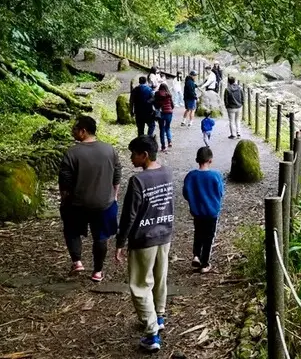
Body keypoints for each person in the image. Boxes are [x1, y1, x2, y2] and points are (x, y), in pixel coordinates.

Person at [116, 136, 174, 352]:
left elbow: (129, 215)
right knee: (160, 278)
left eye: (134, 154)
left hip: (144, 238)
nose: (131, 158)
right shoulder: (167, 173)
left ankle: (152, 335)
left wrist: (121, 242)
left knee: (140, 285)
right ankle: (159, 316)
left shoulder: (138, 181)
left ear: (145, 155)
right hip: (164, 233)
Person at [58, 116, 121, 282]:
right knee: (100, 237)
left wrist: (65, 201)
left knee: (71, 230)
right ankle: (98, 271)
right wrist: (114, 195)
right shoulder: (110, 149)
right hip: (104, 203)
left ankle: (77, 261)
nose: (72, 132)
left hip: (77, 203)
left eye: (75, 129)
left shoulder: (72, 153)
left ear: (83, 131)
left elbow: (65, 182)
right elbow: (117, 174)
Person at [182, 147, 224, 273]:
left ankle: (196, 255)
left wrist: (193, 201)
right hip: (211, 212)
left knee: (198, 233)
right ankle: (205, 263)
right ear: (210, 160)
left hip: (197, 212)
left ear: (197, 160)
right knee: (209, 237)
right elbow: (220, 192)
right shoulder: (216, 175)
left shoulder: (191, 176)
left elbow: (185, 193)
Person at [153, 83, 174, 152]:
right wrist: (170, 108)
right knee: (167, 127)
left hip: (161, 113)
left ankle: (163, 146)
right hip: (169, 113)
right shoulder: (169, 94)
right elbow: (172, 105)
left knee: (161, 129)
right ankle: (169, 141)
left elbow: (155, 104)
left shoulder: (157, 94)